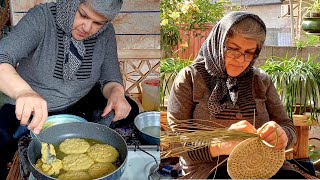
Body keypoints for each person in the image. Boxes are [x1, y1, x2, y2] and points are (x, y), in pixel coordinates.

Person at [0, 0, 139, 178]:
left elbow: (109, 77)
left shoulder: (106, 32)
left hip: (80, 102)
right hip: (31, 104)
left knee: (128, 110)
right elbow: (3, 55)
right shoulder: (42, 18)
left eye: (98, 22)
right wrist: (22, 92)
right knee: (3, 138)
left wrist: (117, 93)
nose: (87, 28)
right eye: (83, 15)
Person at [167, 11, 307, 179]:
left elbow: (287, 125)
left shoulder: (261, 80)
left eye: (249, 52)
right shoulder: (190, 78)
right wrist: (219, 144)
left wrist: (283, 136)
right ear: (219, 43)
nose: (241, 59)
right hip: (209, 170)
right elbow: (176, 141)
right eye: (233, 49)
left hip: (265, 166)